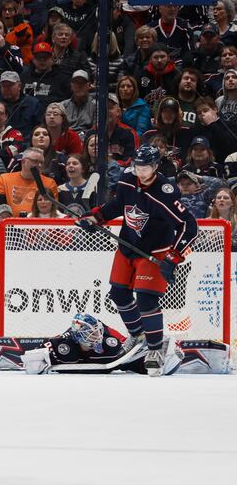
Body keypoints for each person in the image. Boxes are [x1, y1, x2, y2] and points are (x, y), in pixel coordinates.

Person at [77, 144, 199, 376]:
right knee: (118, 293)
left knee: (145, 300)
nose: (140, 171)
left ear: (154, 167)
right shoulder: (126, 180)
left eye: (145, 167)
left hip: (155, 251)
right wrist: (96, 217)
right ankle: (138, 335)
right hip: (127, 246)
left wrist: (173, 256)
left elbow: (188, 225)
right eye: (137, 166)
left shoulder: (165, 190)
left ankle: (155, 348)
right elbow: (117, 206)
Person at [21, 313, 182, 375]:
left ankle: (167, 355)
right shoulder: (63, 344)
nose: (97, 335)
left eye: (98, 331)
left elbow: (127, 349)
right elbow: (33, 359)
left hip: (109, 362)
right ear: (79, 334)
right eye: (92, 332)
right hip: (82, 360)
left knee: (145, 364)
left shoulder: (109, 342)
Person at [0, 147, 59, 217]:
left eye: (41, 162)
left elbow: (53, 209)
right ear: (23, 161)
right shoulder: (4, 179)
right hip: (11, 224)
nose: (39, 165)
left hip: (39, 223)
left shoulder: (49, 182)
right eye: (35, 161)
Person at [0, 70, 41, 140]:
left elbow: (38, 128)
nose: (6, 89)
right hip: (1, 142)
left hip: (26, 141)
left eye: (10, 85)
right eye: (4, 86)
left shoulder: (33, 103)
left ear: (19, 86)